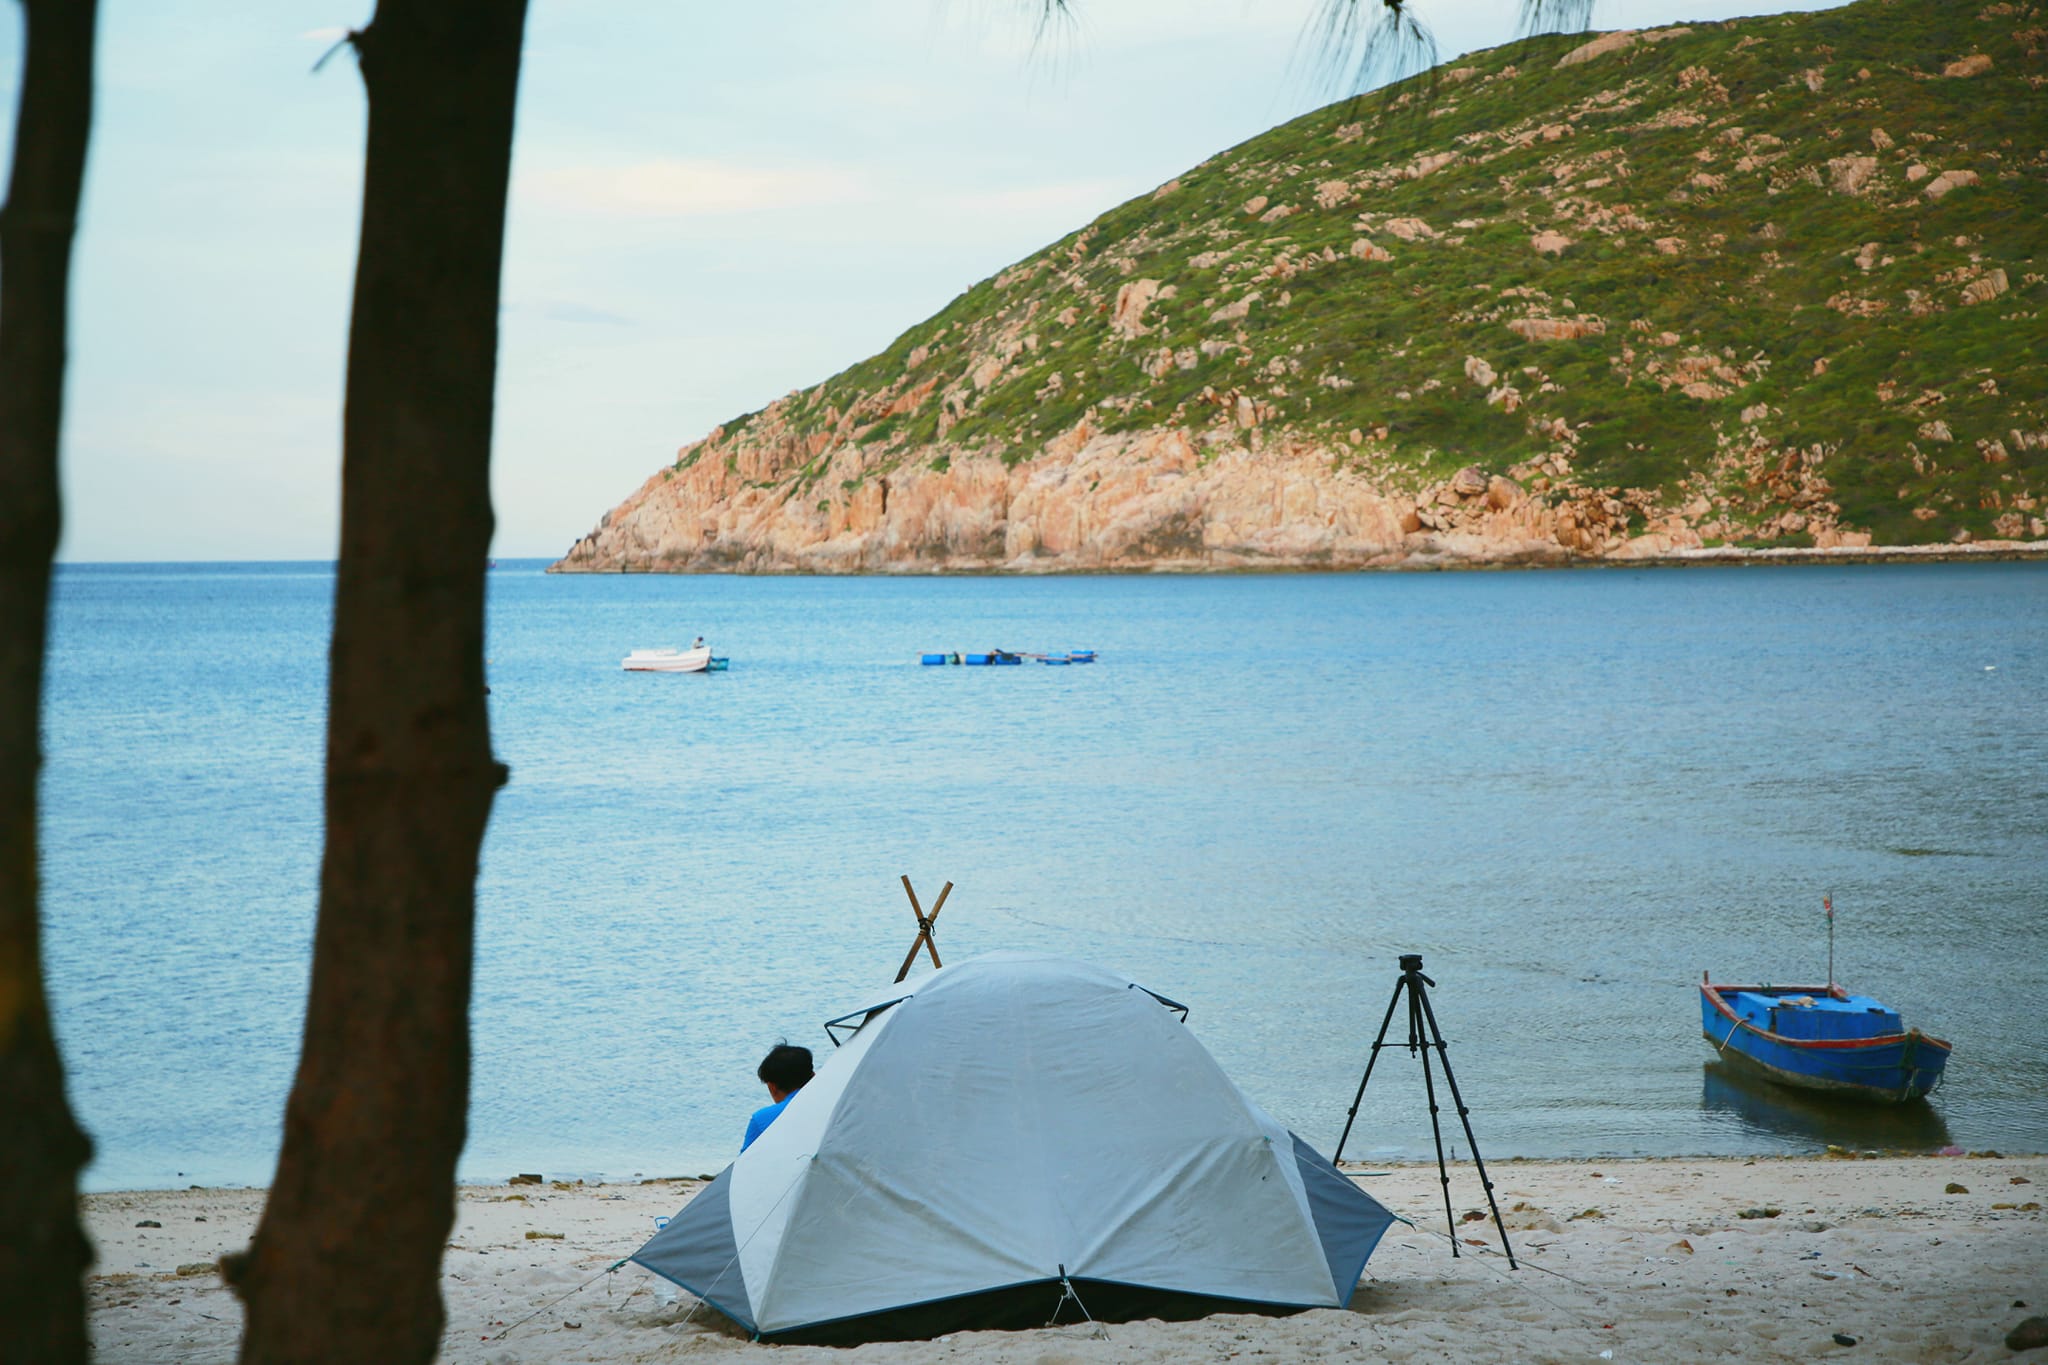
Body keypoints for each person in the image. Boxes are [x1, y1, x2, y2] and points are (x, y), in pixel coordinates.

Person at [742, 1042, 813, 1151]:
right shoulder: (839, 1105)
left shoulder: (762, 1118)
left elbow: (744, 1165)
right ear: (813, 1076)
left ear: (772, 1087)